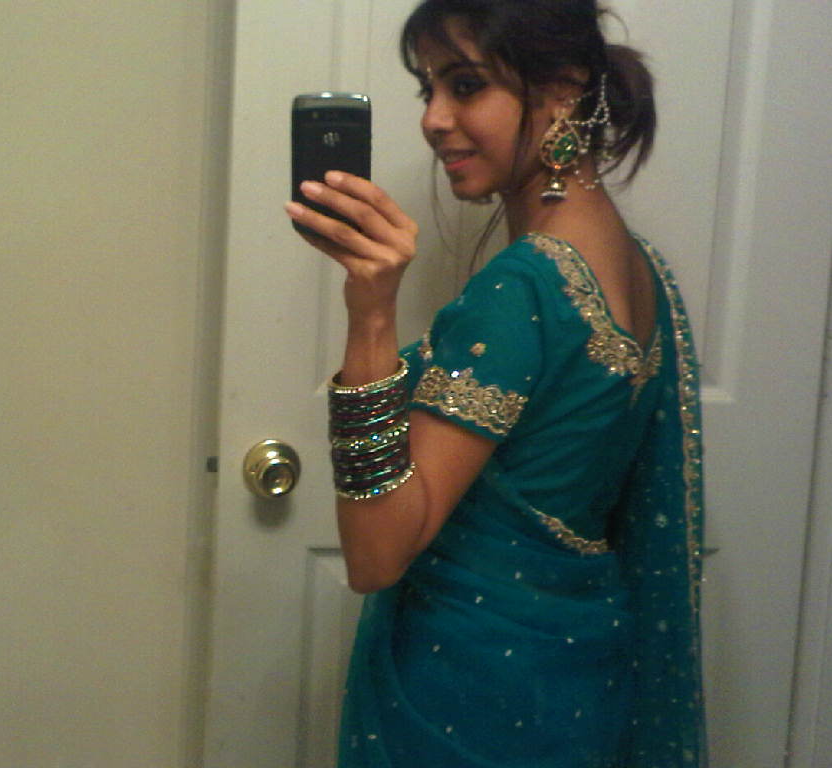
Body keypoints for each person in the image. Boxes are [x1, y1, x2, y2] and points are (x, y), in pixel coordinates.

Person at [283, 0, 706, 765]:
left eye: (467, 85)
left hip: (468, 697)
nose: (433, 119)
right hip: (578, 679)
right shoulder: (640, 267)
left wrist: (371, 313)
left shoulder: (523, 288)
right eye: (429, 89)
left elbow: (376, 556)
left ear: (565, 89)